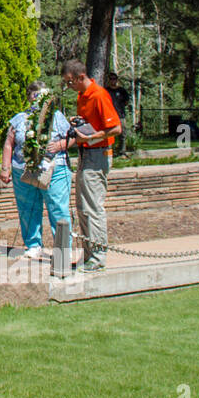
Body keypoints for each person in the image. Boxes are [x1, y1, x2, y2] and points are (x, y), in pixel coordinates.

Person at [1, 81, 74, 261]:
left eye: (42, 96)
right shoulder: (19, 119)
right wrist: (5, 168)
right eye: (35, 96)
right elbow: (9, 143)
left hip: (54, 169)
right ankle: (33, 245)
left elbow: (72, 138)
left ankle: (63, 250)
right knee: (28, 209)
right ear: (29, 97)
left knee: (57, 208)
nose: (38, 100)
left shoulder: (57, 117)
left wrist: (60, 145)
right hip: (23, 170)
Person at [61, 60, 123, 271]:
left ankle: (97, 258)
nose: (69, 87)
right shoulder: (82, 96)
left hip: (97, 155)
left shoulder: (98, 95)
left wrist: (92, 137)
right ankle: (89, 256)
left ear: (80, 77)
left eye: (70, 82)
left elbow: (115, 128)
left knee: (92, 207)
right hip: (86, 153)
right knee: (82, 207)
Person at [107, 72, 130, 154]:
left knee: (123, 134)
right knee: (109, 134)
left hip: (120, 115)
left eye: (114, 79)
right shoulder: (106, 90)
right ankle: (109, 152)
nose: (113, 80)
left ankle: (122, 151)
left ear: (117, 80)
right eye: (111, 79)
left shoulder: (122, 90)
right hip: (110, 116)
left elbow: (126, 101)